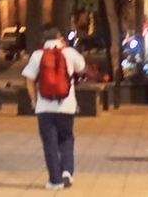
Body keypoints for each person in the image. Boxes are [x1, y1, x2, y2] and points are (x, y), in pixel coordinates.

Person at [22, 27, 86, 190]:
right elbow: (81, 67)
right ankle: (67, 172)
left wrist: (34, 101)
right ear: (60, 38)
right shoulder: (69, 53)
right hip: (67, 106)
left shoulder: (38, 55)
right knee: (66, 138)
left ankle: (55, 181)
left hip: (44, 107)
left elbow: (29, 80)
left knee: (49, 143)